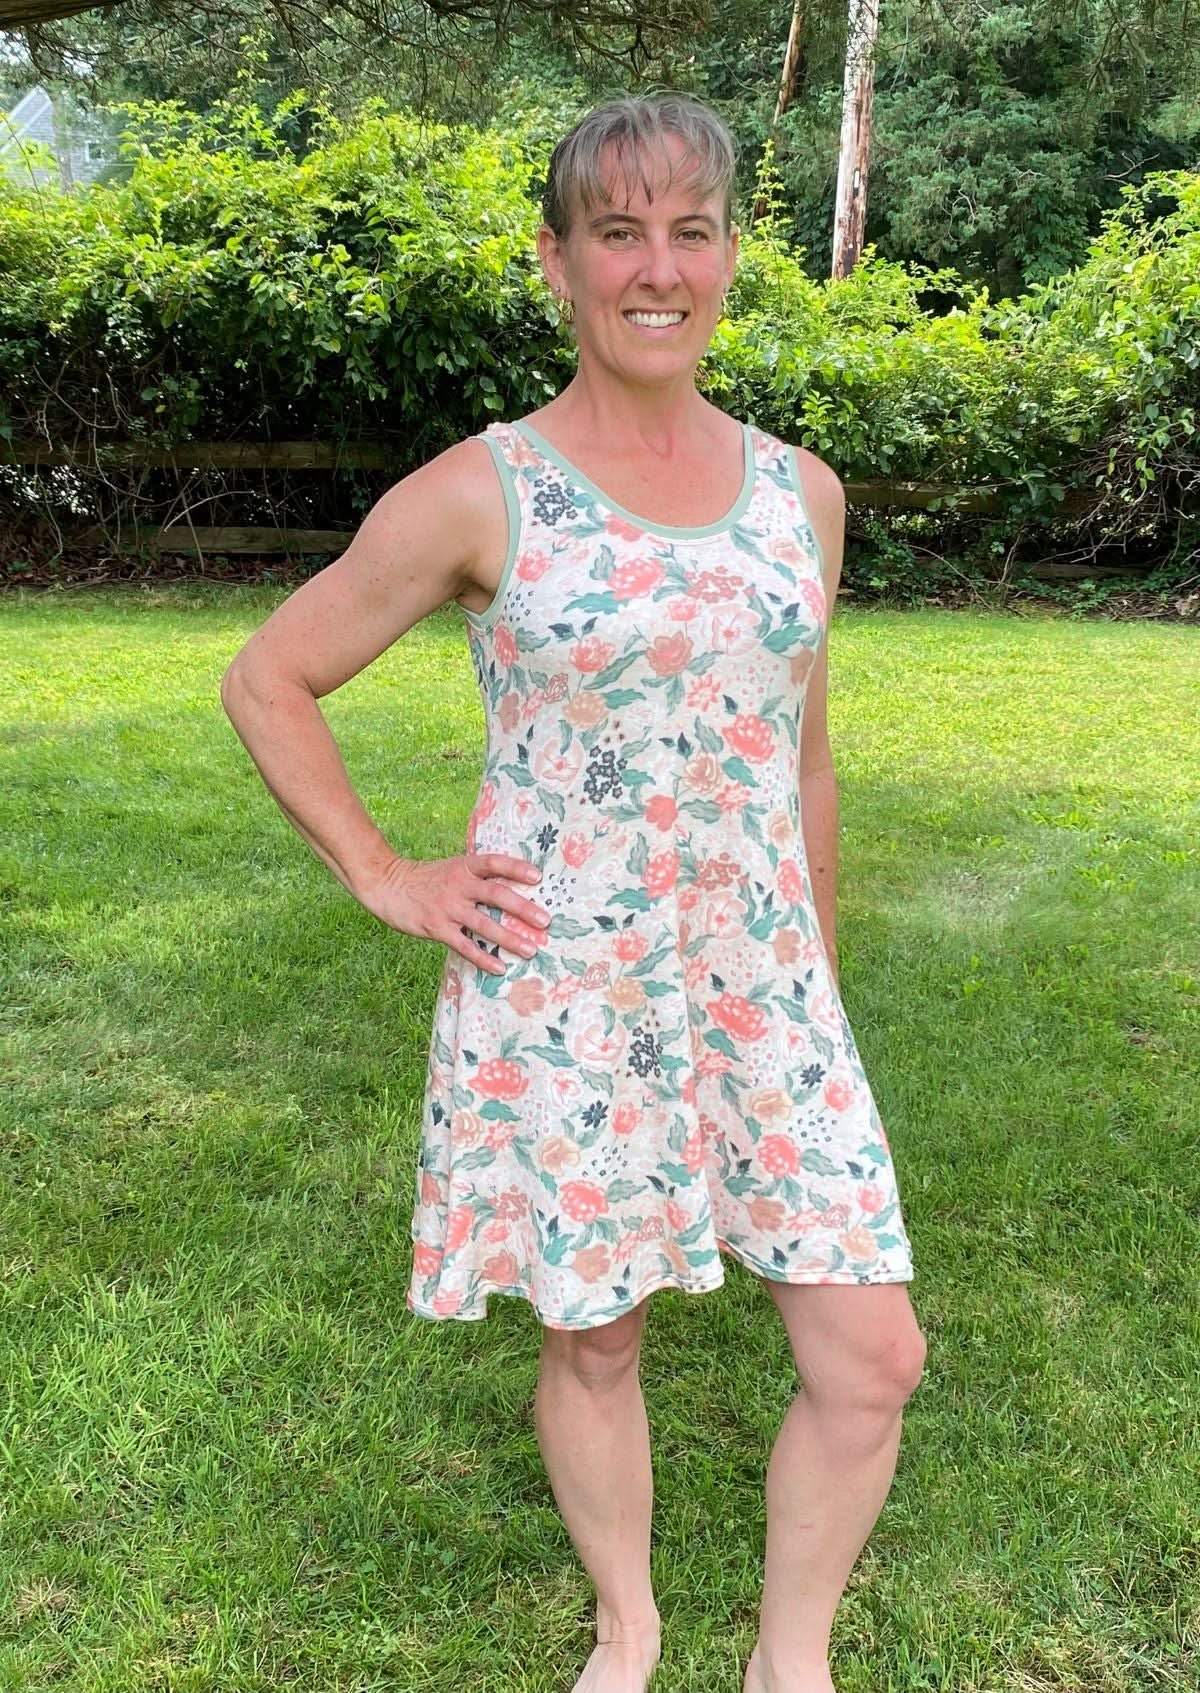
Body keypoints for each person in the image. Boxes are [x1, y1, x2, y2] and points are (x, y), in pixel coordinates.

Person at [221, 91, 926, 1693]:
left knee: (874, 1354)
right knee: (595, 1334)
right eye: (618, 233)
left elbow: (805, 752)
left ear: (731, 255)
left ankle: (790, 1662)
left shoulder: (800, 495)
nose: (657, 268)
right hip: (572, 984)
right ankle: (630, 1625)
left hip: (765, 986)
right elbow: (269, 677)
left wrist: (814, 964)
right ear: (556, 260)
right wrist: (386, 872)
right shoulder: (486, 491)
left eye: (691, 231)